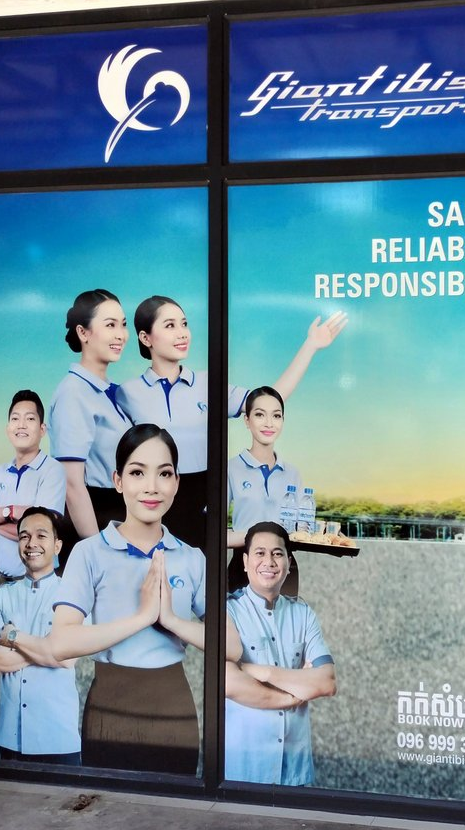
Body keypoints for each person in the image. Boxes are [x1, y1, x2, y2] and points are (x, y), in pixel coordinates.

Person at [49, 423, 228, 774]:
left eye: (164, 473)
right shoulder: (89, 552)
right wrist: (142, 618)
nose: (151, 487)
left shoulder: (192, 557)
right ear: (118, 481)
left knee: (173, 817)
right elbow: (60, 642)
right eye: (137, 472)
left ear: (176, 482)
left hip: (174, 704)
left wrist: (172, 621)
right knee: (108, 814)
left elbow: (232, 646)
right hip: (110, 704)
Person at [116, 295, 347, 547]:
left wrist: (310, 346)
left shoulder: (210, 384)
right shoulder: (126, 393)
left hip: (201, 507)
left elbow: (268, 401)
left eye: (184, 324)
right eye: (170, 326)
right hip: (151, 505)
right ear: (145, 337)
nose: (182, 333)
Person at [224, 521, 336, 786]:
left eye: (277, 553)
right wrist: (294, 694)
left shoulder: (303, 613)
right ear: (245, 561)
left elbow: (327, 682)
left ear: (288, 562)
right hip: (245, 769)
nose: (269, 561)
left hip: (295, 771)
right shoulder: (228, 612)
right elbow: (229, 683)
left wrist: (260, 671)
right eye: (260, 553)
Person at [0, 507, 81, 765]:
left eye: (41, 535)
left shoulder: (73, 594)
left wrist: (13, 637)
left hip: (57, 736)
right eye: (24, 536)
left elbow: (67, 658)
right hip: (11, 738)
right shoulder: (2, 596)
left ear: (57, 545)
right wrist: (46, 648)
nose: (31, 543)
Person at [48, 289, 132, 544]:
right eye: (110, 325)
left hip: (118, 519)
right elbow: (72, 485)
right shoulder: (73, 393)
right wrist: (98, 552)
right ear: (82, 333)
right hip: (92, 522)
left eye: (123, 325)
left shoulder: (114, 391)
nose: (120, 335)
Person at [0, 390, 66, 586]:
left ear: (42, 429)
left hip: (37, 582)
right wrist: (10, 512)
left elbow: (41, 534)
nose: (21, 425)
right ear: (8, 428)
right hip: (2, 581)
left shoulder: (52, 470)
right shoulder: (0, 472)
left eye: (30, 418)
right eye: (15, 418)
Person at [225, 387, 302, 590]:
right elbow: (213, 533)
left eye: (276, 416)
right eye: (260, 415)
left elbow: (300, 529)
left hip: (284, 568)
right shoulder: (230, 468)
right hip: (244, 567)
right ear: (247, 420)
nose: (269, 423)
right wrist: (257, 535)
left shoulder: (292, 473)